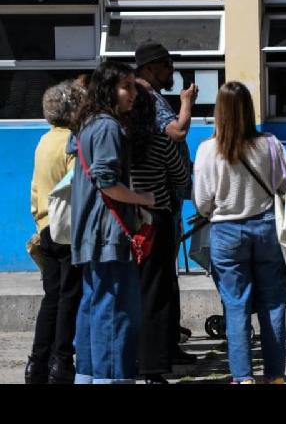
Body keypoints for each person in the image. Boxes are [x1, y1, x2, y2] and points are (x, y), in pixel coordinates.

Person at [193, 81, 286, 384]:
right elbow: (284, 186)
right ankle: (275, 376)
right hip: (265, 229)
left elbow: (202, 202)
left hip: (225, 231)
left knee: (236, 306)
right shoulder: (271, 144)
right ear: (249, 110)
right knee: (273, 305)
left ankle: (243, 377)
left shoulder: (208, 150)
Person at [70, 61, 155, 384]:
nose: (134, 93)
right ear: (109, 89)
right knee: (117, 313)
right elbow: (106, 182)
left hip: (92, 233)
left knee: (93, 309)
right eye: (127, 86)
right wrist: (143, 200)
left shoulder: (87, 125)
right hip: (109, 233)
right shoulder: (107, 127)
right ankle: (112, 377)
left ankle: (90, 375)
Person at [134, 41, 197, 363]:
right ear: (150, 67)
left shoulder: (146, 96)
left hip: (162, 198)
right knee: (159, 279)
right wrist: (187, 103)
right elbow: (176, 133)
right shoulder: (147, 98)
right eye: (167, 66)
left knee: (161, 278)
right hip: (159, 201)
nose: (171, 72)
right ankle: (161, 348)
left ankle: (166, 342)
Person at [128, 83, 191, 384]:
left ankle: (127, 358)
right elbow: (181, 176)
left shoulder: (119, 142)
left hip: (125, 223)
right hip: (157, 221)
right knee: (156, 293)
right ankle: (152, 367)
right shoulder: (159, 142)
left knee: (129, 293)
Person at [25, 80, 85, 384]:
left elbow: (36, 189)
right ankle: (61, 363)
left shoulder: (44, 141)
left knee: (51, 297)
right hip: (68, 230)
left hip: (46, 228)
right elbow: (75, 187)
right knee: (69, 297)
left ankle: (36, 362)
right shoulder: (72, 143)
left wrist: (39, 221)